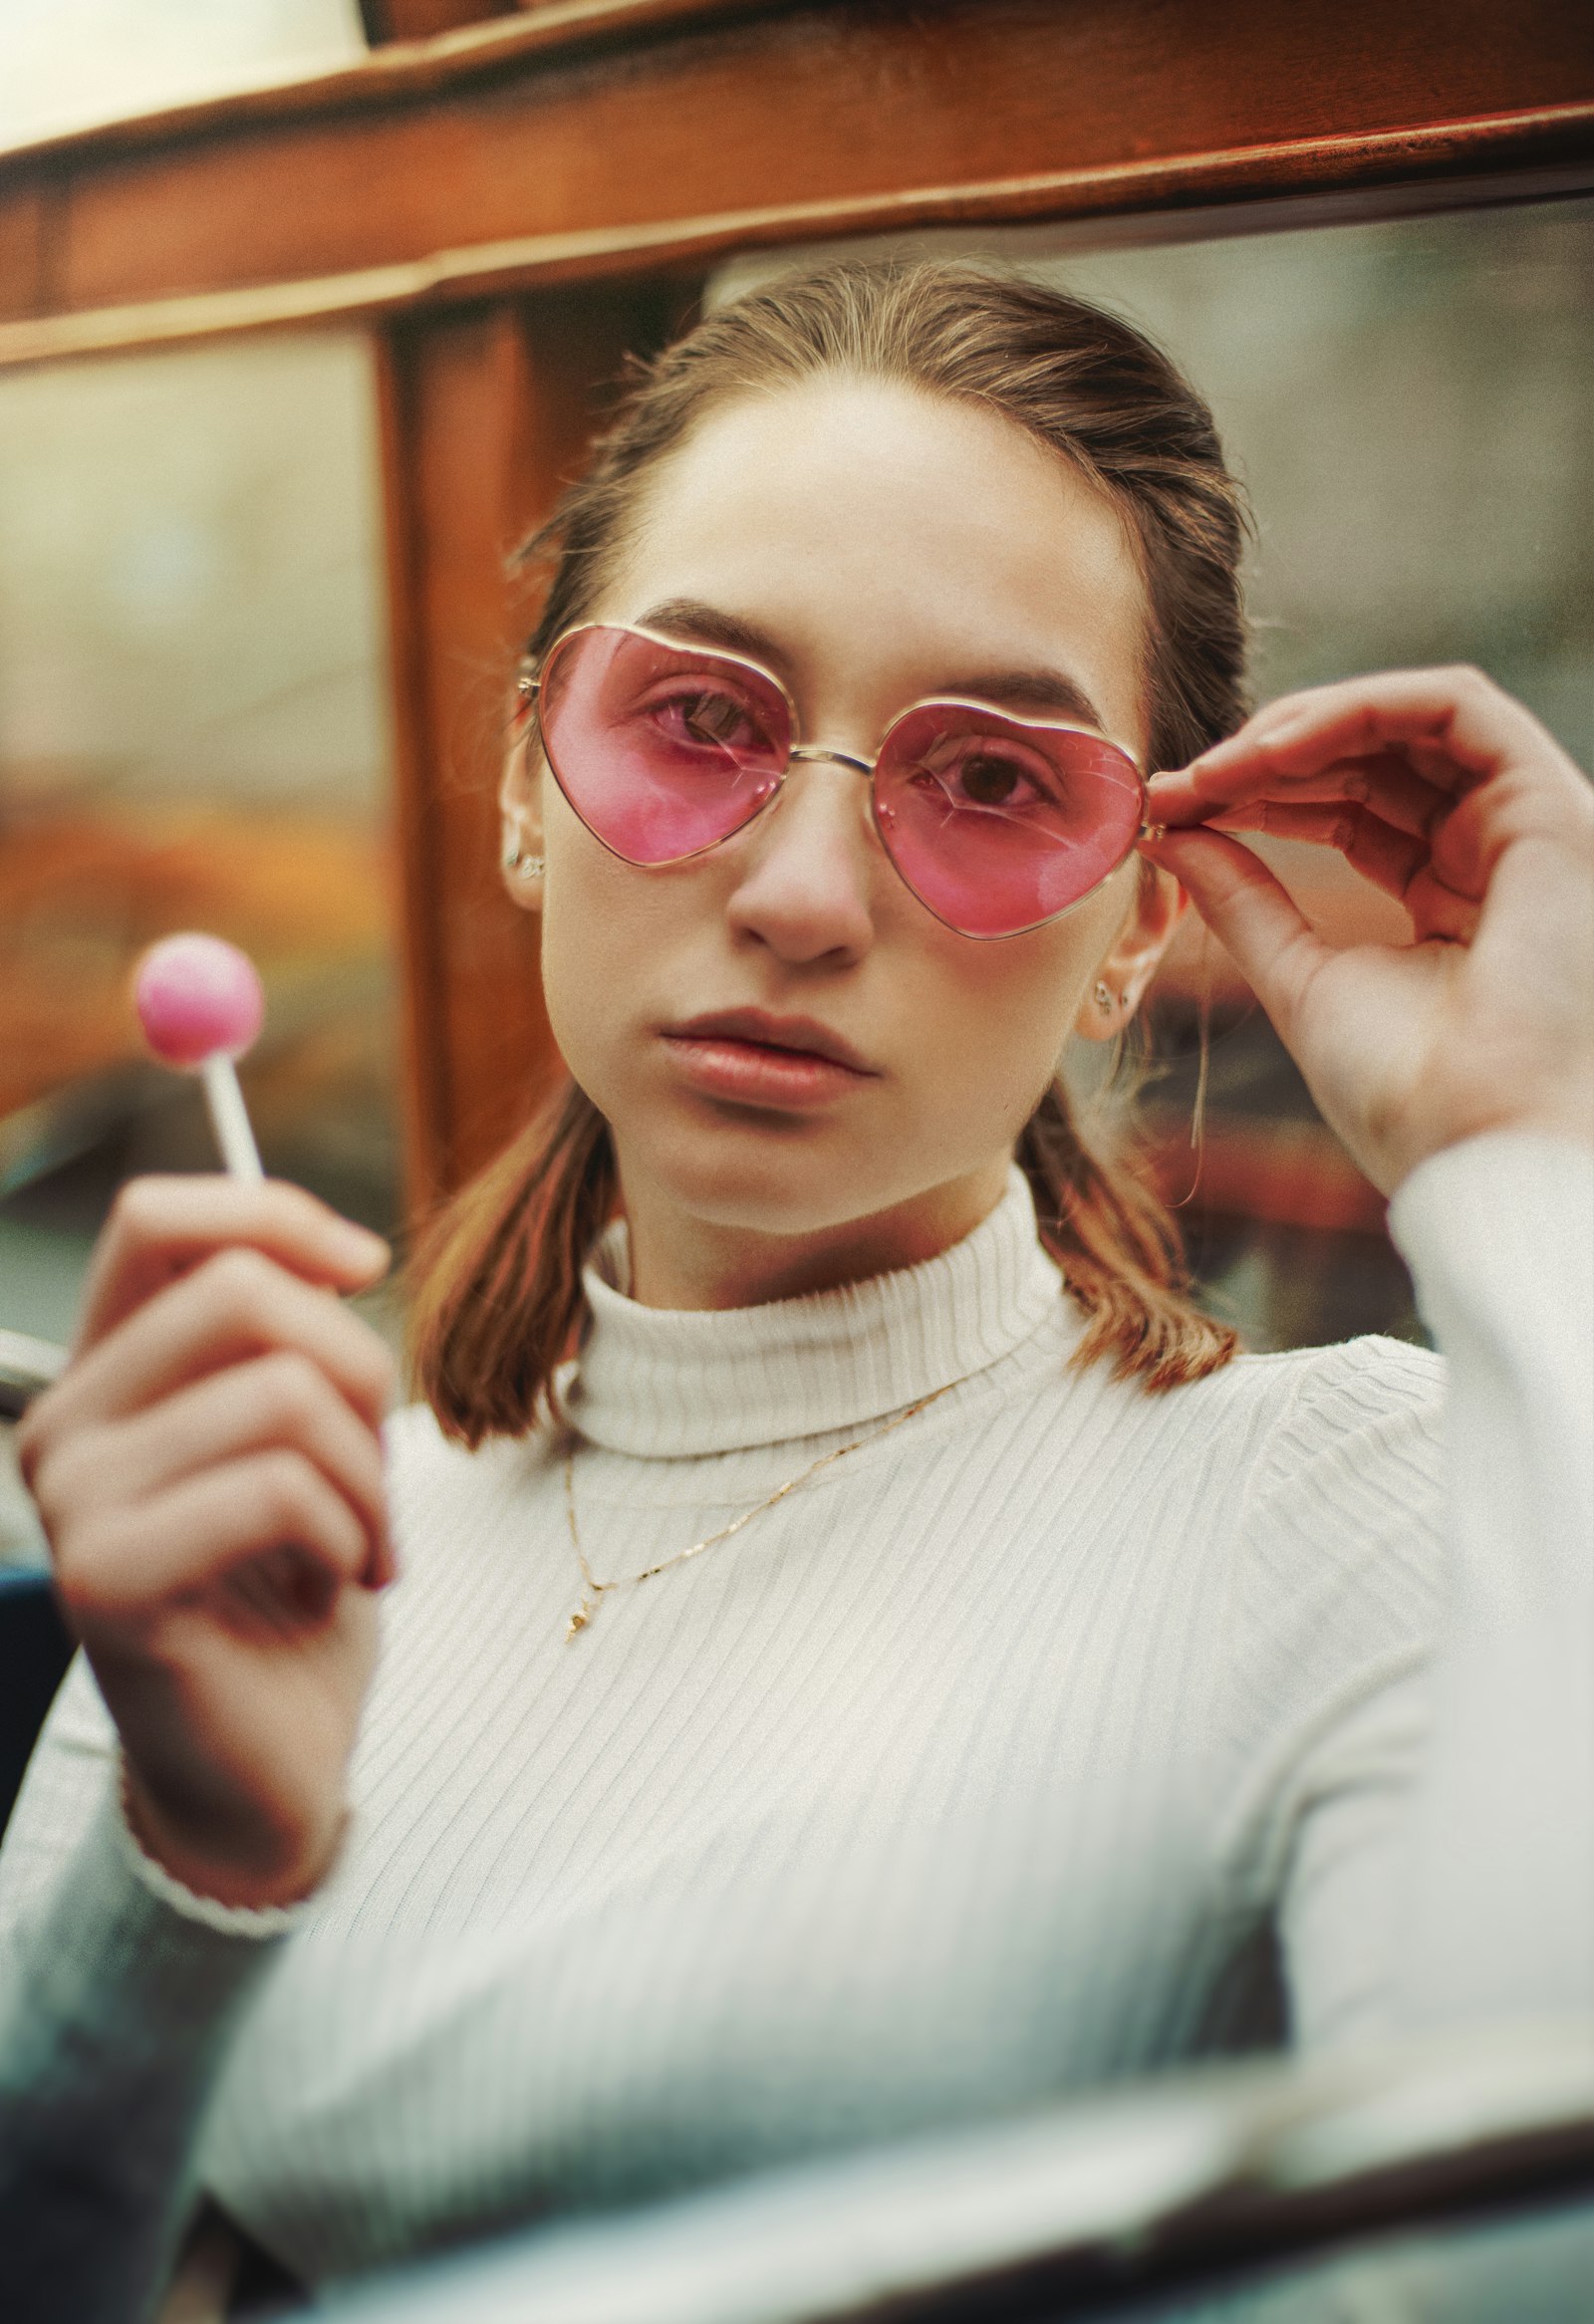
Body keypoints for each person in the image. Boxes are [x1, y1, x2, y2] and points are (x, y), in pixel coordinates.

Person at [1, 261, 1590, 2322]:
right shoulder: (280, 1525)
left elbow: (1512, 2254)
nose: (799, 896)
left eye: (996, 779)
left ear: (1132, 927)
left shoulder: (1345, 1506)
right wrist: (193, 1859)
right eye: (695, 719)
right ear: (519, 783)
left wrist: (1519, 1169)